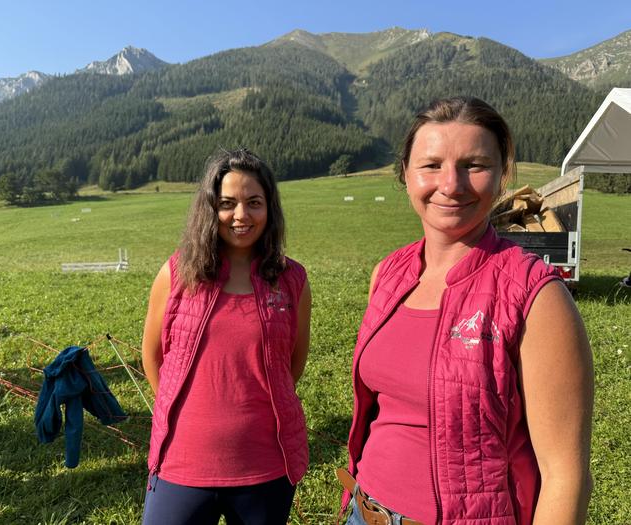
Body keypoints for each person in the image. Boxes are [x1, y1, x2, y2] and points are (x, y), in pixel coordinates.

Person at [339, 97, 593, 525]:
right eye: (431, 165)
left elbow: (565, 475)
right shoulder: (388, 274)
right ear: (405, 173)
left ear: (502, 174)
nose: (451, 184)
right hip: (364, 512)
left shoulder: (537, 296)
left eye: (474, 165)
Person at [141, 148, 312, 525]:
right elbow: (152, 357)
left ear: (270, 209)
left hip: (265, 468)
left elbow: (292, 365)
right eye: (227, 203)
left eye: (254, 203)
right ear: (209, 209)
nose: (241, 216)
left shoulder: (292, 280)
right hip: (181, 464)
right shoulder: (177, 273)